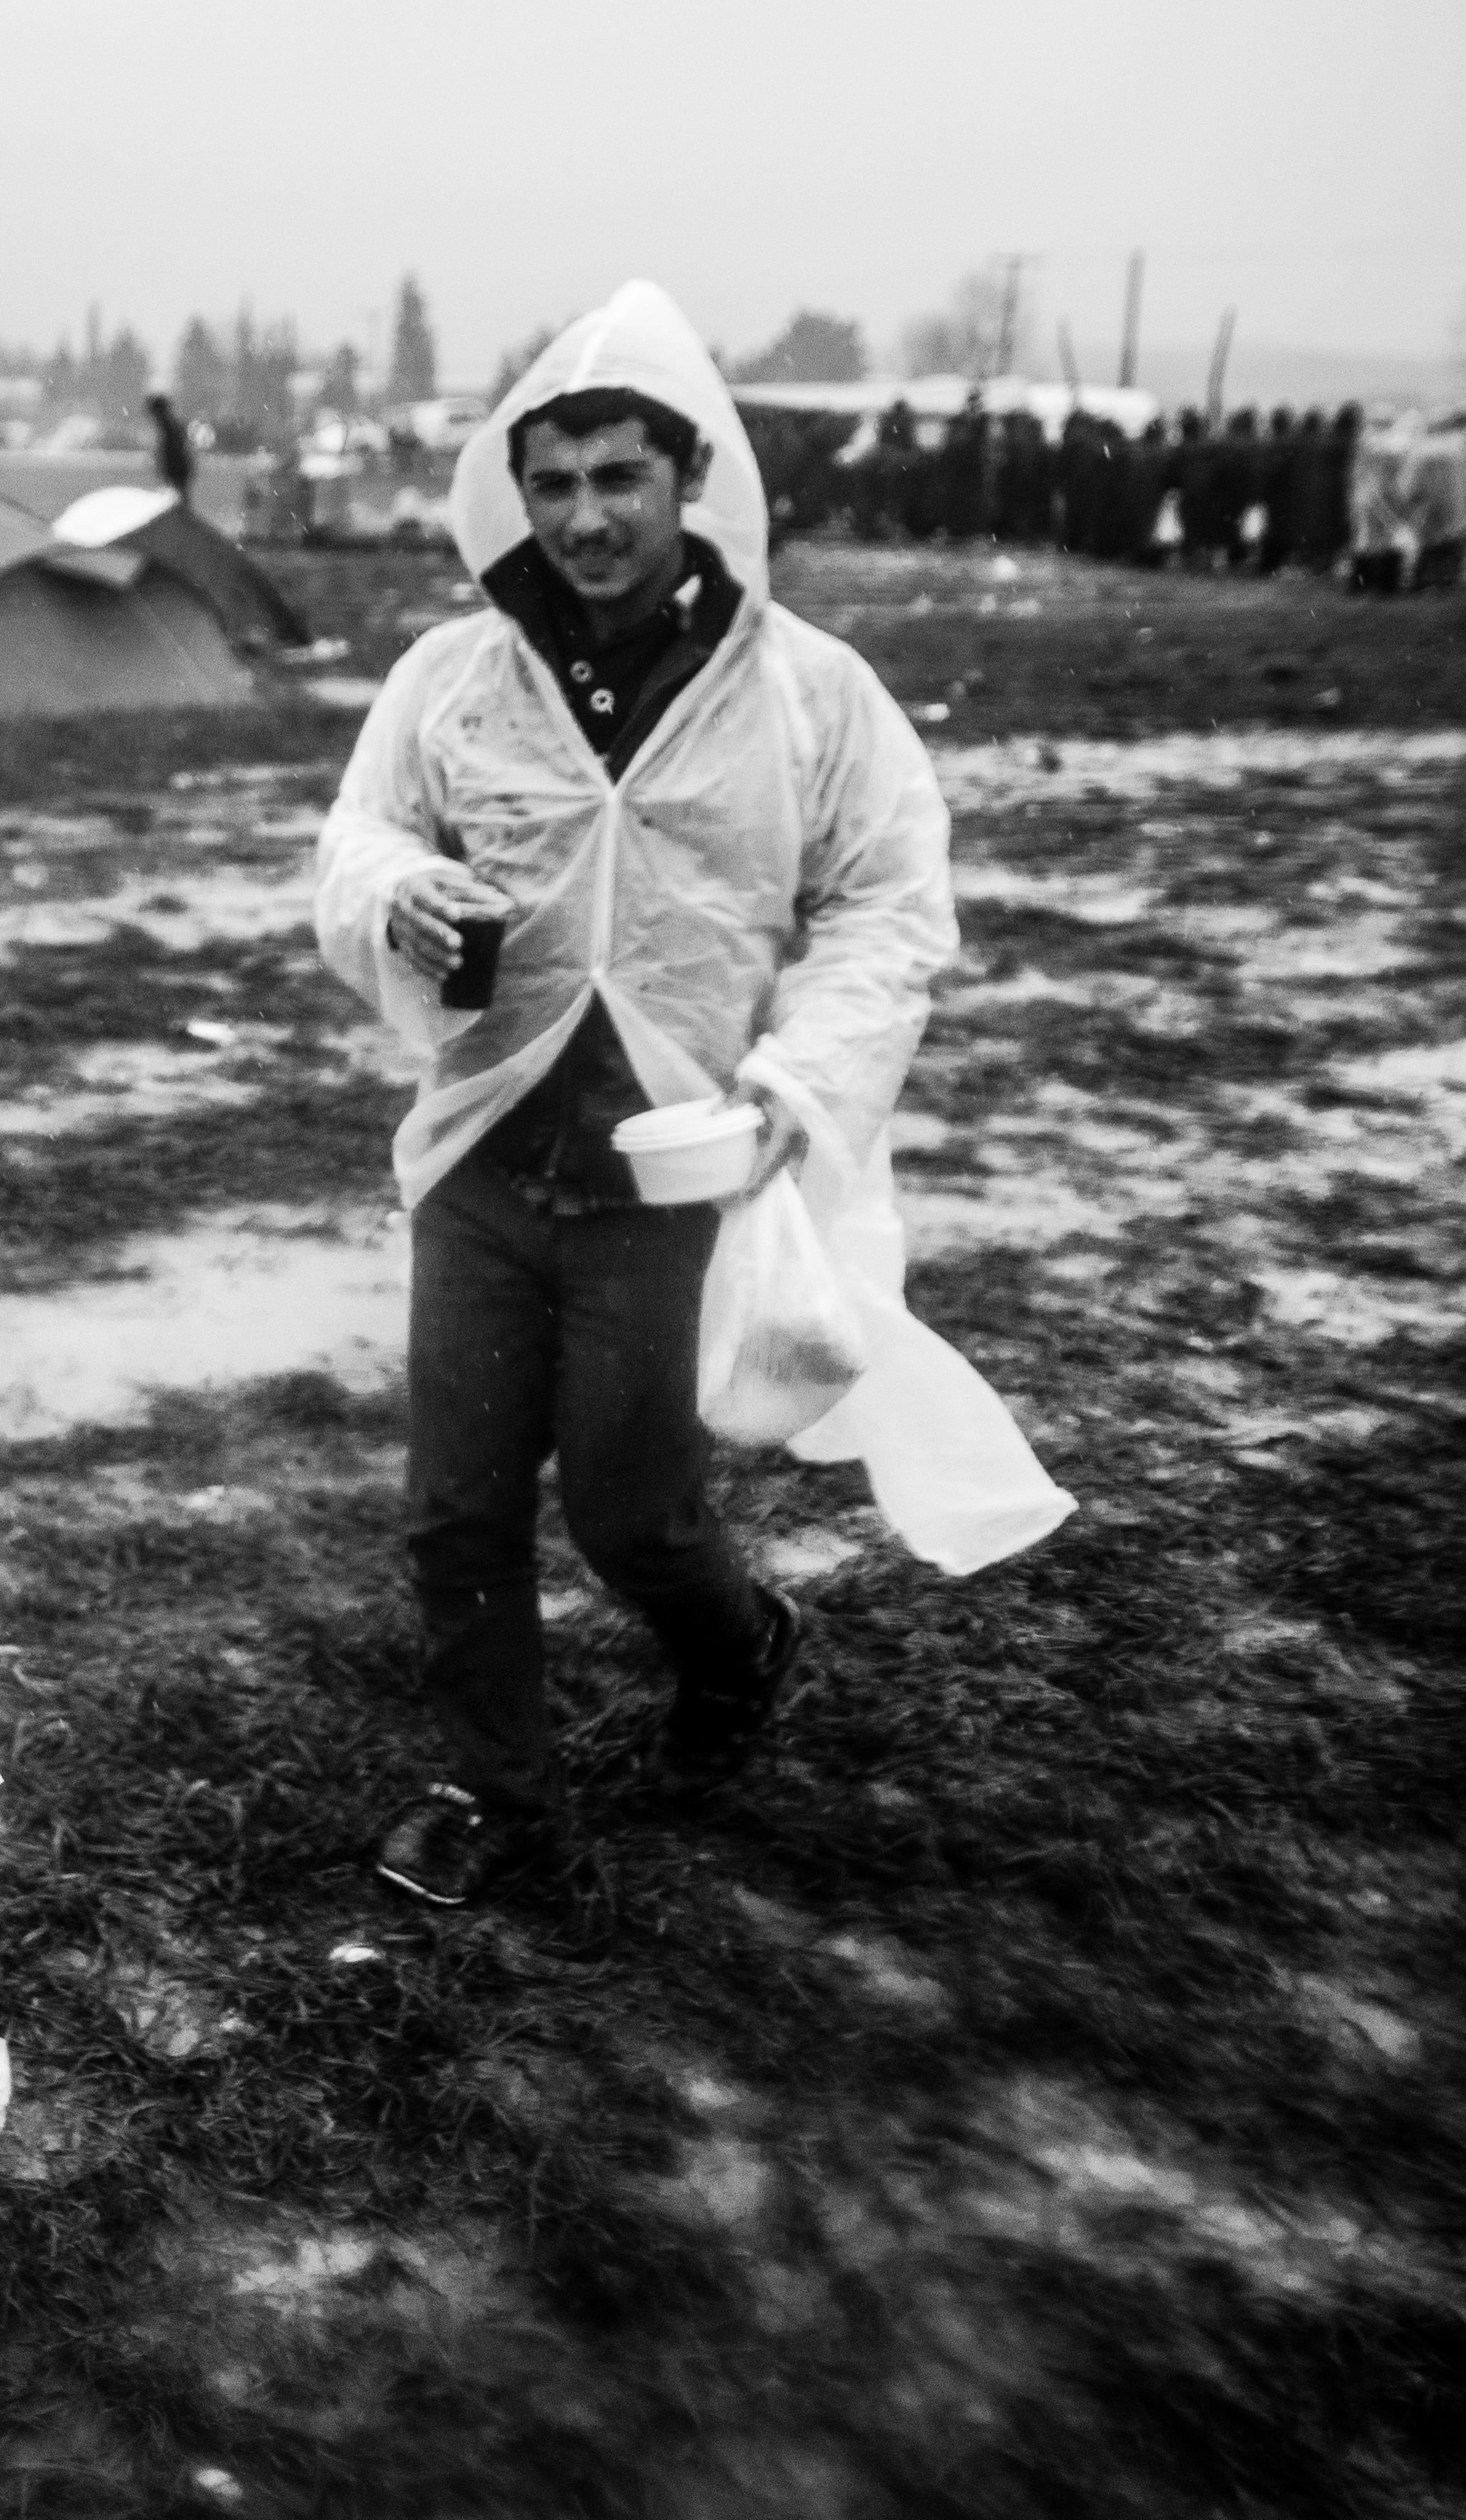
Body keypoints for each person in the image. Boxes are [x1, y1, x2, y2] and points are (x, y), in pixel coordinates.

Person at [311, 282, 959, 1908]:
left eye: (620, 476)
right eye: (555, 480)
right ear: (512, 490)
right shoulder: (456, 676)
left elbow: (888, 904)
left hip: (671, 1175)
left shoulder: (807, 690)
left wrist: (794, 1086)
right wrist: (395, 895)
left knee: (628, 1508)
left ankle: (739, 1645)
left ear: (692, 481)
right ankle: (493, 1788)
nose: (587, 515)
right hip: (483, 1151)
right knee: (454, 1512)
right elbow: (361, 834)